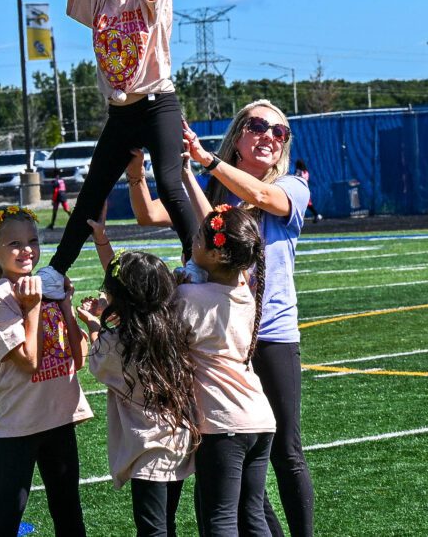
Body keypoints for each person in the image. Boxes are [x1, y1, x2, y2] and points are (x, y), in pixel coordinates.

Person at [127, 100, 314, 537]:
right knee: (236, 451)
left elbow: (261, 197)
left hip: (271, 334)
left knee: (285, 449)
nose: (269, 136)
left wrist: (206, 161)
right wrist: (138, 171)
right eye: (258, 126)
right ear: (238, 134)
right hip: (220, 341)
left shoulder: (291, 186)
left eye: (280, 132)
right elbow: (149, 213)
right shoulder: (214, 191)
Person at [2, 0, 197, 299]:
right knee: (92, 191)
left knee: (168, 180)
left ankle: (197, 259)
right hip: (121, 113)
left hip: (157, 103)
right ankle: (56, 270)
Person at [76, 221, 198, 537]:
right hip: (179, 437)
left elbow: (98, 361)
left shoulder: (118, 342)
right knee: (166, 524)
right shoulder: (174, 323)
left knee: (152, 529)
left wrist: (92, 324)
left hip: (147, 449)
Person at [0, 205, 93, 537]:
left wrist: (66, 303)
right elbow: (29, 362)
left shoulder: (46, 285)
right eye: (14, 244)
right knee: (8, 516)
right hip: (20, 423)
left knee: (69, 512)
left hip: (58, 416)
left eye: (32, 241)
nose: (26, 250)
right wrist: (32, 309)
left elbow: (78, 359)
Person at [176, 206, 276, 535]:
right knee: (252, 515)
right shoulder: (245, 291)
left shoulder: (188, 296)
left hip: (223, 421)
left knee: (220, 519)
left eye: (199, 238)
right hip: (259, 418)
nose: (193, 241)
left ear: (217, 254)